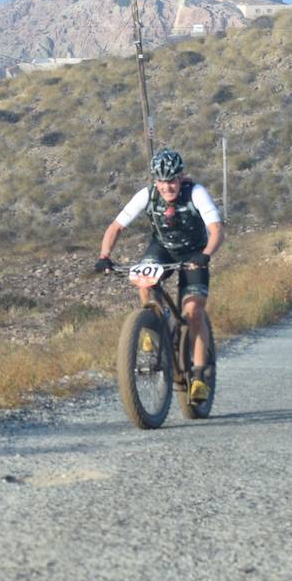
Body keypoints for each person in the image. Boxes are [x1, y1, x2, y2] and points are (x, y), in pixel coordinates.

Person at [95, 148, 223, 403]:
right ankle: (154, 327)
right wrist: (104, 255)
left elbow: (217, 230)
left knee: (193, 311)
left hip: (194, 253)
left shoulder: (196, 193)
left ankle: (199, 376)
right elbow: (116, 226)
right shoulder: (147, 195)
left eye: (172, 180)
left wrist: (206, 255)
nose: (167, 187)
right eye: (162, 181)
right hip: (162, 249)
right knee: (144, 283)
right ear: (155, 181)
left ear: (180, 177)